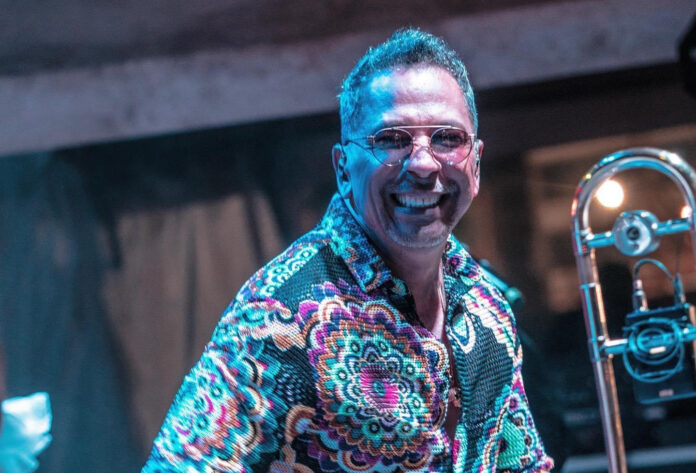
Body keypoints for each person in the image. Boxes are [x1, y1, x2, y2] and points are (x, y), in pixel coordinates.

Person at [142, 28, 554, 472]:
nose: (422, 163)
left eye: (447, 138)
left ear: (475, 163)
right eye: (392, 139)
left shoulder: (487, 305)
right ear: (342, 168)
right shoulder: (281, 314)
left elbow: (522, 464)